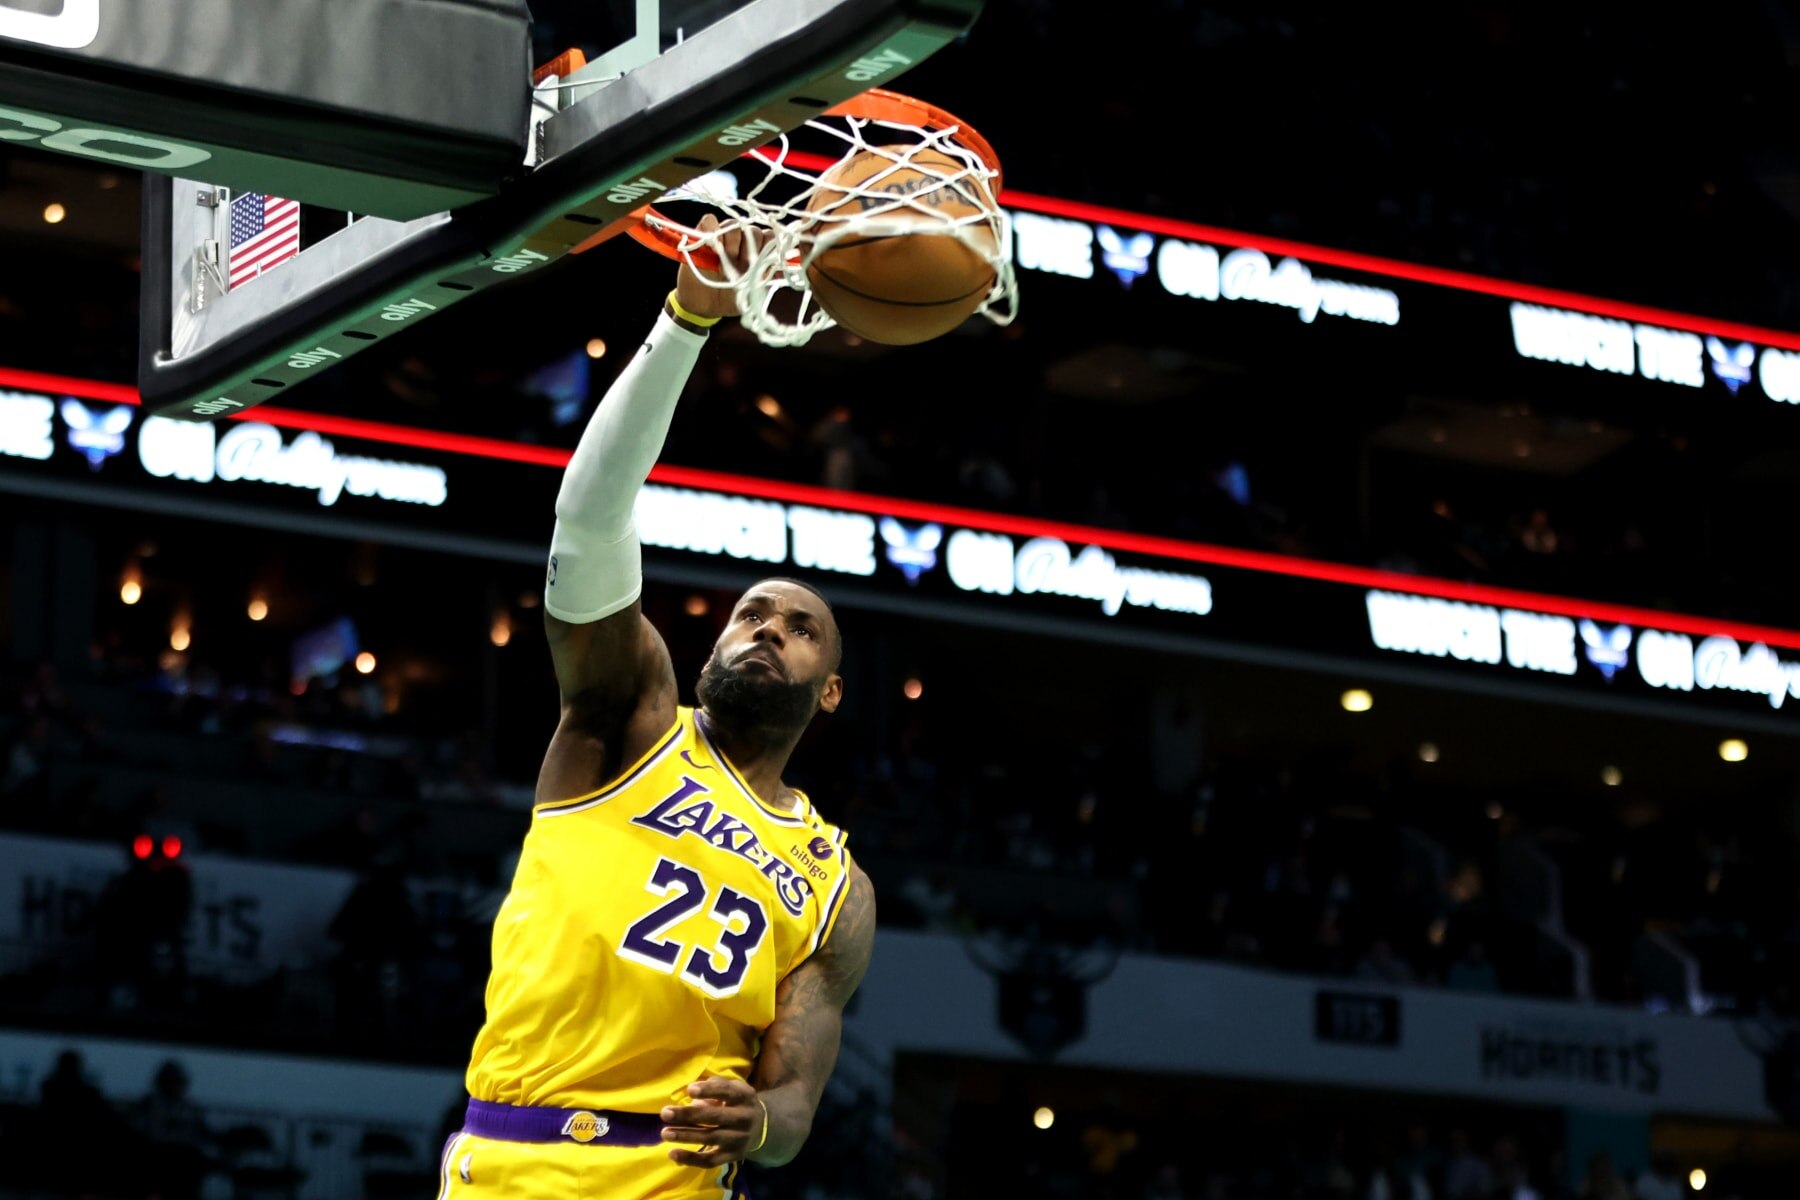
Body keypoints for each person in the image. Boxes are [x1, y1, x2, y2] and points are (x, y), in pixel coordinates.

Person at [449, 218, 875, 1200]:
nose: (765, 631)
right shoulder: (625, 722)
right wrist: (687, 320)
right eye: (748, 616)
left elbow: (797, 1103)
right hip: (514, 1160)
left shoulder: (837, 887)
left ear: (833, 689)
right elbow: (592, 517)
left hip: (672, 1178)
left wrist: (763, 1120)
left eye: (798, 628)